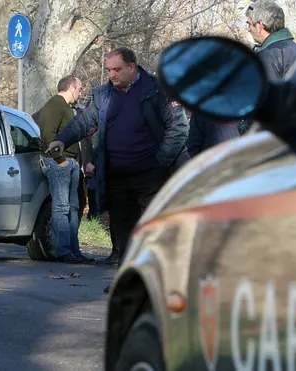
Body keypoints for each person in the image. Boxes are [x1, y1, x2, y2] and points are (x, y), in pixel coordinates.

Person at [46, 48, 189, 286]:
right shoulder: (103, 95)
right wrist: (62, 139)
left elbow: (178, 128)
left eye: (117, 69)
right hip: (116, 175)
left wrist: (162, 159)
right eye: (109, 69)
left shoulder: (157, 90)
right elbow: (83, 122)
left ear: (132, 67)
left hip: (151, 175)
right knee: (123, 233)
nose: (112, 74)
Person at [34, 75, 94, 264]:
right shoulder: (55, 104)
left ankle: (75, 251)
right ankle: (63, 251)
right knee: (61, 207)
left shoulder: (67, 108)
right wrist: (60, 159)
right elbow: (47, 134)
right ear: (71, 88)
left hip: (72, 163)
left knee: (74, 208)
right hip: (58, 162)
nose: (81, 92)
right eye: (80, 88)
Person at [240, 0, 296, 134]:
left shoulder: (266, 56)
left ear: (260, 26)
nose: (248, 28)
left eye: (249, 24)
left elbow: (265, 109)